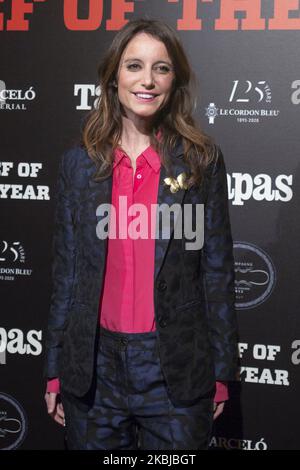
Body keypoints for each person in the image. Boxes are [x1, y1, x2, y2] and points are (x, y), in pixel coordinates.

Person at [44, 18, 238, 450]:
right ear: (114, 76)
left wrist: (221, 374)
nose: (147, 80)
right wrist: (56, 366)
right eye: (134, 66)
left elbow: (217, 273)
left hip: (175, 370)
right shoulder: (79, 163)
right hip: (93, 371)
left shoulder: (200, 160)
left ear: (175, 79)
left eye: (161, 68)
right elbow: (67, 273)